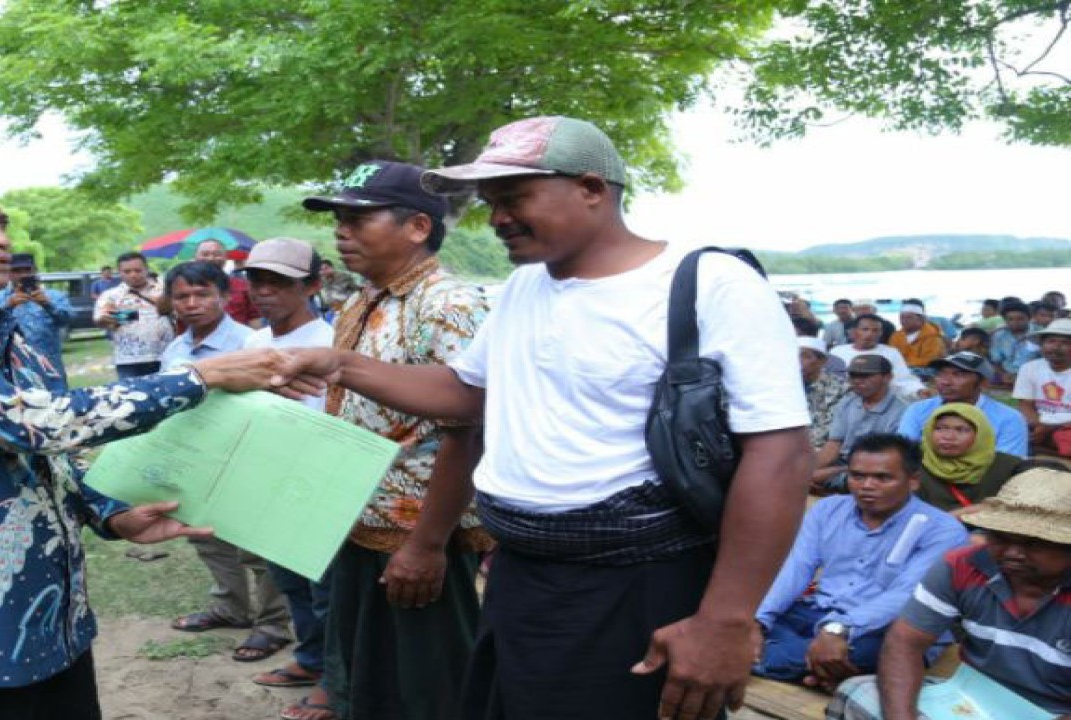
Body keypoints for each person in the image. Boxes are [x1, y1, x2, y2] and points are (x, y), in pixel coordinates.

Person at [293, 116, 813, 720]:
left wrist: (726, 619)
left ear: (591, 188)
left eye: (514, 198)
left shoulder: (710, 283)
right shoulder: (525, 287)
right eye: (490, 203)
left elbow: (780, 455)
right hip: (521, 575)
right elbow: (467, 393)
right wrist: (339, 365)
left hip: (636, 581)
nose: (497, 218)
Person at [0, 161, 315, 720]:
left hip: (55, 612)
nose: (1, 240)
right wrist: (200, 377)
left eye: (1, 223)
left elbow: (49, 450)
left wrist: (108, 513)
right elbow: (20, 422)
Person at [300, 159, 490, 720]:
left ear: (418, 227)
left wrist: (427, 545)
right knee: (369, 683)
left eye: (359, 219)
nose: (342, 232)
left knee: (429, 691)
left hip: (420, 537)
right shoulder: (362, 301)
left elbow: (469, 429)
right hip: (359, 521)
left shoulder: (449, 304)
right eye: (338, 220)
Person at [826, 467, 1071, 719]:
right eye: (1001, 538)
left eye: (1033, 543)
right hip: (970, 698)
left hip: (1054, 712)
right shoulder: (962, 565)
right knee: (857, 691)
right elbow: (904, 644)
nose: (1012, 552)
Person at [156, 261, 293, 661]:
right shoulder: (175, 349)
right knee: (206, 538)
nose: (192, 303)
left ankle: (273, 624)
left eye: (202, 294)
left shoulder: (250, 345)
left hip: (245, 457)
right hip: (194, 458)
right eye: (182, 296)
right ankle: (231, 607)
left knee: (256, 546)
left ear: (225, 297)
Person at [755, 434, 967, 690]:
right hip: (816, 612)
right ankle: (814, 669)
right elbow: (796, 568)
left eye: (882, 478)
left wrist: (840, 629)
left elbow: (906, 596)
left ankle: (762, 660)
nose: (867, 486)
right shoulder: (828, 509)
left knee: (878, 651)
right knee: (748, 622)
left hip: (888, 629)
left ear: (913, 481)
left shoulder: (943, 530)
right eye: (857, 476)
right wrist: (758, 621)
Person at [237, 239, 338, 720]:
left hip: (317, 479)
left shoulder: (332, 343)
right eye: (257, 281)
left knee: (325, 589)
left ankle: (336, 681)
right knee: (290, 582)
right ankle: (312, 659)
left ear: (313, 285)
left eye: (279, 282)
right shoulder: (253, 344)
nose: (264, 291)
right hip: (269, 476)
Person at [895, 351, 1028, 456]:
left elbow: (1007, 464)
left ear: (983, 383)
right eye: (941, 374)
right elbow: (904, 454)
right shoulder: (918, 410)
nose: (945, 382)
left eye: (958, 375)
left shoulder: (1008, 418)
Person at [812, 355, 908, 493]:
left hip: (877, 466)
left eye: (866, 376)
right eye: (853, 376)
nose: (857, 381)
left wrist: (831, 472)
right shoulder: (847, 403)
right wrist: (809, 471)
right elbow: (833, 445)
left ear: (887, 377)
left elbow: (892, 456)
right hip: (844, 463)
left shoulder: (902, 409)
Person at [0, 253, 73, 390]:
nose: (23, 275)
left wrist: (48, 305)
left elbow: (67, 320)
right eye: (16, 271)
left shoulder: (54, 296)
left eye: (27, 270)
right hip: (11, 367)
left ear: (35, 271)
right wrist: (7, 306)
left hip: (49, 365)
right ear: (8, 274)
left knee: (58, 401)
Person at [915, 403, 1022, 513]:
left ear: (980, 434)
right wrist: (961, 514)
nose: (948, 437)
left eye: (961, 430)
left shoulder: (1009, 466)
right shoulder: (912, 463)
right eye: (940, 428)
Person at [94, 251, 175, 379]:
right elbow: (100, 319)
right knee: (132, 391)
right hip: (128, 360)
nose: (133, 275)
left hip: (166, 354)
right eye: (127, 271)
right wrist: (108, 319)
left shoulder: (164, 290)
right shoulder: (111, 296)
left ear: (146, 269)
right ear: (119, 272)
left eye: (138, 270)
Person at [1012, 317, 1071, 456]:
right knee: (1006, 425)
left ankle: (1039, 448)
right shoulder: (1029, 368)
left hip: (1066, 427)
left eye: (1065, 343)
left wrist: (1049, 428)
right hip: (1037, 423)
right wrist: (1037, 424)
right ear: (1042, 345)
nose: (1056, 347)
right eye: (1051, 341)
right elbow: (1025, 404)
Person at [830, 314, 924, 399]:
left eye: (875, 330)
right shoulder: (837, 351)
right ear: (854, 331)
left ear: (881, 333)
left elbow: (903, 380)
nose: (870, 334)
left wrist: (918, 391)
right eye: (865, 329)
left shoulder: (890, 352)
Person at [193, 237, 263, 328]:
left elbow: (254, 318)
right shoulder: (185, 287)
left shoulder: (243, 285)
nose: (211, 258)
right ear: (195, 257)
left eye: (217, 254)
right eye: (205, 254)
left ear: (225, 258)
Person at [801, 337, 849, 448]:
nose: (798, 361)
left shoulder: (840, 388)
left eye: (805, 356)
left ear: (822, 361)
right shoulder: (782, 386)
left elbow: (828, 432)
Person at [888, 301, 946, 376]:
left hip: (925, 371)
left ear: (921, 319)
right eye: (902, 317)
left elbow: (930, 361)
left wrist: (905, 362)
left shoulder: (933, 337)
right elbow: (891, 356)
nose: (904, 320)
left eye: (909, 317)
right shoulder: (896, 336)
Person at [989, 300, 1039, 386]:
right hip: (1006, 375)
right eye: (1010, 319)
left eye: (1020, 319)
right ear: (1005, 320)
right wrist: (1003, 375)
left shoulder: (1040, 334)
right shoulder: (999, 336)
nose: (1015, 322)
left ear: (1029, 318)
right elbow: (996, 361)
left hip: (1035, 376)